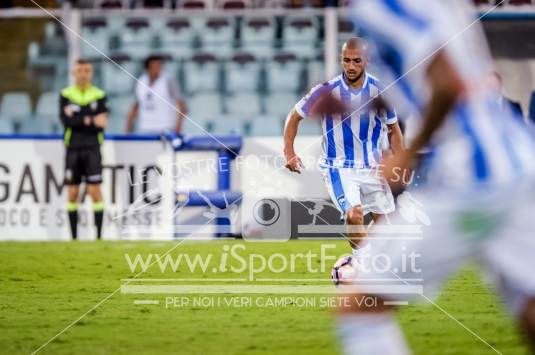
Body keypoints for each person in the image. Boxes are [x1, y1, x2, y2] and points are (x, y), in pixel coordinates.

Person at [333, 1, 535, 354]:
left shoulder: (381, 6)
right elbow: (423, 80)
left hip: (469, 177)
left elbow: (447, 83)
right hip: (516, 164)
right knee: (529, 306)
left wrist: (408, 153)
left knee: (360, 305)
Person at [283, 37, 405, 260]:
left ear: (366, 61)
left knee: (386, 227)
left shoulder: (381, 90)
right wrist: (289, 153)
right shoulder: (326, 91)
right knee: (353, 216)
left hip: (373, 167)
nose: (350, 66)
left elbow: (393, 130)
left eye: (356, 61)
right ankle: (367, 266)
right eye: (346, 61)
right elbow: (294, 117)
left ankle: (371, 266)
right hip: (338, 167)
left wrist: (401, 161)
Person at [60, 59, 108, 240]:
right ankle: (73, 239)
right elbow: (66, 121)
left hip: (93, 148)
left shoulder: (99, 95)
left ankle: (99, 238)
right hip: (72, 149)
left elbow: (102, 123)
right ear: (74, 73)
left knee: (95, 191)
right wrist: (89, 119)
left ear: (92, 73)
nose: (83, 74)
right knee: (72, 193)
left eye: (87, 70)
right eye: (79, 70)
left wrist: (78, 117)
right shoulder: (65, 94)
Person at [126, 55, 187, 134]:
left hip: (166, 128)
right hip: (146, 128)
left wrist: (178, 128)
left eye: (159, 65)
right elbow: (135, 106)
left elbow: (182, 106)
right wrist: (128, 129)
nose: (158, 68)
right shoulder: (140, 81)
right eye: (154, 66)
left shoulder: (168, 81)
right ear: (147, 68)